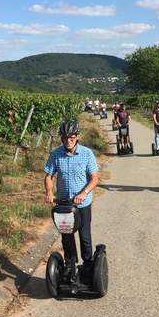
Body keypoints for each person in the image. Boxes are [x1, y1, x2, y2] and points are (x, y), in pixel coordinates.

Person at [44, 121, 98, 283]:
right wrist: (49, 192)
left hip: (82, 204)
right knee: (66, 237)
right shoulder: (56, 154)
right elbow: (48, 176)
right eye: (66, 138)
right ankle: (70, 264)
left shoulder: (87, 154)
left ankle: (88, 264)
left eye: (72, 137)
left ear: (77, 137)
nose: (69, 140)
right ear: (62, 138)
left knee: (85, 237)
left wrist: (84, 193)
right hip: (63, 205)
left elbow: (94, 178)